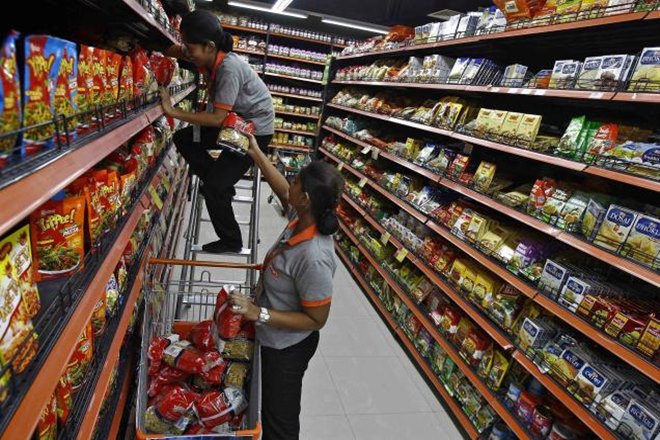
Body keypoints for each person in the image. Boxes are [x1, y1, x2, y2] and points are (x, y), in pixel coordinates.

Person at [229, 135, 345, 440]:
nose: (289, 183)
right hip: (271, 336)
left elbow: (316, 319)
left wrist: (260, 314)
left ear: (305, 198)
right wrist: (256, 152)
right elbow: (281, 188)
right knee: (265, 404)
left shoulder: (314, 256)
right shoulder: (301, 218)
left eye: (295, 181)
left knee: (279, 423)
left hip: (287, 348)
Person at [160, 10, 274, 254]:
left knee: (213, 188)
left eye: (190, 48)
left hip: (252, 133)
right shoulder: (207, 55)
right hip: (231, 125)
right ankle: (222, 184)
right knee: (183, 138)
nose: (187, 51)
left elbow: (216, 118)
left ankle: (231, 239)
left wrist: (173, 111)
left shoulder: (229, 69)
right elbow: (176, 50)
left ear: (210, 46)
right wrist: (145, 43)